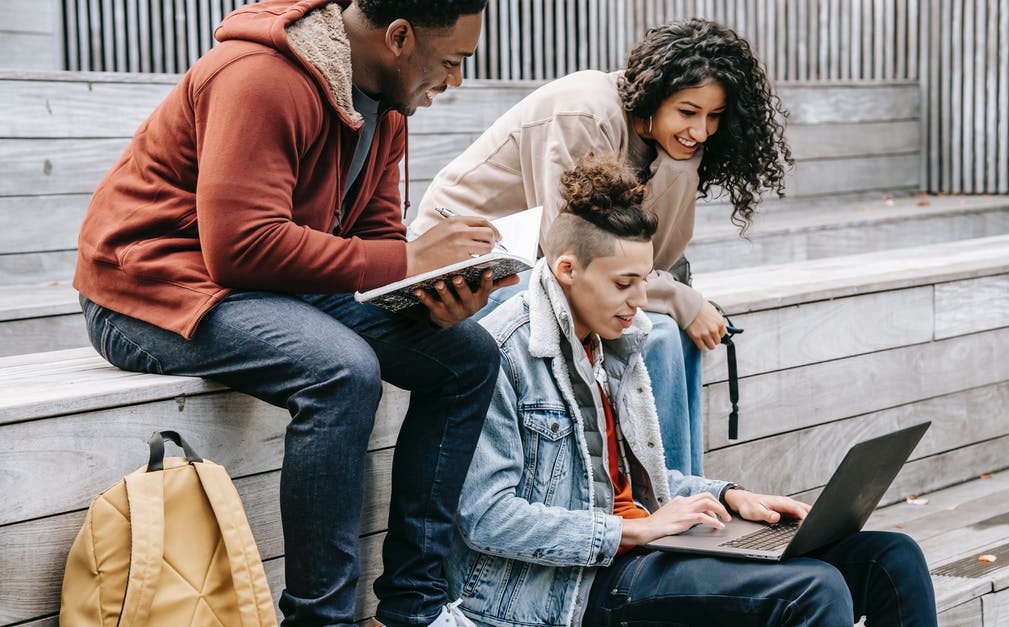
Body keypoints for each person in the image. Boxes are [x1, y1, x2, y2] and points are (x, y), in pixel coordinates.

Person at [73, 1, 514, 625]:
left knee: (467, 355)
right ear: (399, 36)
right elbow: (240, 247)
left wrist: (432, 296)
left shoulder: (387, 106)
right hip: (147, 287)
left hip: (272, 284)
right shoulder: (259, 77)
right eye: (452, 61)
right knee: (342, 370)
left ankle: (417, 604)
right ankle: (321, 618)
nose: (457, 79)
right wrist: (407, 260)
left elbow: (376, 238)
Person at [447, 153, 938, 627]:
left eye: (643, 280)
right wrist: (635, 530)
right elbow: (488, 517)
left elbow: (637, 485)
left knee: (892, 559)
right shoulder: (504, 353)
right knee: (815, 589)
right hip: (569, 590)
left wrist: (730, 497)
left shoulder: (610, 343)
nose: (640, 301)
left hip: (642, 549)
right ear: (568, 269)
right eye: (624, 283)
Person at [410, 18, 794, 476]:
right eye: (688, 112)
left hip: (551, 267)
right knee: (656, 334)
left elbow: (657, 257)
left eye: (713, 117)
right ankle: (659, 515)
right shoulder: (585, 115)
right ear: (654, 95)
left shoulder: (668, 141)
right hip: (473, 267)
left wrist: (678, 167)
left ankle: (683, 497)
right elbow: (568, 255)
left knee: (676, 336)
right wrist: (678, 297)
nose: (702, 130)